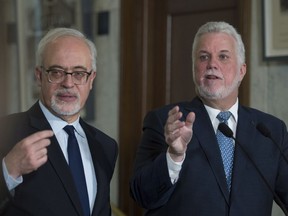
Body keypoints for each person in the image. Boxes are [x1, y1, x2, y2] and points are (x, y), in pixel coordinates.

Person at [130, 21, 288, 216]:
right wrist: (173, 156)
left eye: (223, 56)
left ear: (242, 70)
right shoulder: (166, 121)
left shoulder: (270, 130)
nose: (212, 64)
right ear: (194, 68)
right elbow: (141, 195)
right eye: (204, 57)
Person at [0, 27, 118, 216]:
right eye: (56, 72)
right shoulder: (6, 131)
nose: (68, 83)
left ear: (91, 79)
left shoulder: (105, 146)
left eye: (79, 73)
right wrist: (7, 171)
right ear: (39, 76)